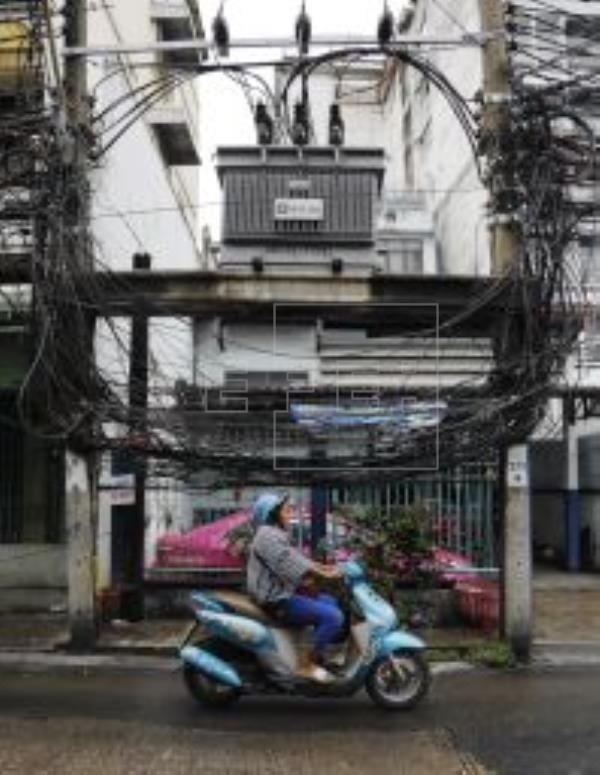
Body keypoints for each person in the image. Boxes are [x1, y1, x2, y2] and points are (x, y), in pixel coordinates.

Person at [246, 492, 345, 682]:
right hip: (276, 600)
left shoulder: (274, 533)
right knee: (334, 616)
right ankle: (306, 665)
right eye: (285, 509)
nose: (290, 512)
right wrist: (323, 573)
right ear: (272, 514)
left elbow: (296, 559)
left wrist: (326, 568)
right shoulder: (267, 536)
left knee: (331, 602)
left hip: (283, 593)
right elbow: (288, 564)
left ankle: (316, 652)